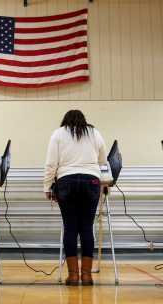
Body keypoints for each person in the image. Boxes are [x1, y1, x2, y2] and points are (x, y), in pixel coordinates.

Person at [44, 110, 107, 286]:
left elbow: (51, 164)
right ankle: (86, 276)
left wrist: (47, 186)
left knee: (70, 227)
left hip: (66, 181)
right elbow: (103, 160)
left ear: (65, 121)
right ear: (84, 121)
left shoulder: (58, 133)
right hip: (91, 181)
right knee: (87, 227)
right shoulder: (94, 132)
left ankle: (73, 276)